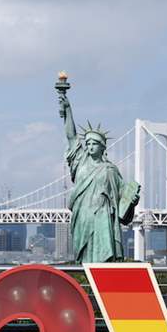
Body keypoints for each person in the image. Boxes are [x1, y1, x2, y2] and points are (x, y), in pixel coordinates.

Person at [58, 89, 140, 263]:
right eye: (87, 143)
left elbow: (122, 203)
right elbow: (72, 137)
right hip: (83, 218)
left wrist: (131, 201)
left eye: (94, 143)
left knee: (103, 261)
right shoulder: (80, 161)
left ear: (103, 147)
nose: (90, 147)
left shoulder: (110, 170)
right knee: (84, 259)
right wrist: (67, 110)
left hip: (104, 220)